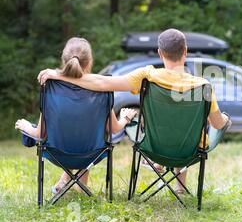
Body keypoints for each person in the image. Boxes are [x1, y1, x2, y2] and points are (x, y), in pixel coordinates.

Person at [37, 29, 230, 194]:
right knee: (187, 130)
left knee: (168, 129)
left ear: (160, 53)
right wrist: (225, 120)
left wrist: (60, 74)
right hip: (189, 151)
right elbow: (217, 124)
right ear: (185, 52)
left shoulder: (148, 75)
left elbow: (102, 82)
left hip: (153, 147)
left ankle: (163, 167)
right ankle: (179, 187)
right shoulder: (204, 86)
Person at [16, 37, 137, 194]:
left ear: (64, 60)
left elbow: (40, 133)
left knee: (73, 135)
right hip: (92, 153)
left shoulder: (51, 88)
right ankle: (79, 186)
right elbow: (114, 129)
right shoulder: (101, 89)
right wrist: (125, 118)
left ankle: (69, 183)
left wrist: (26, 126)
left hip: (57, 152)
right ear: (89, 61)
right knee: (85, 136)